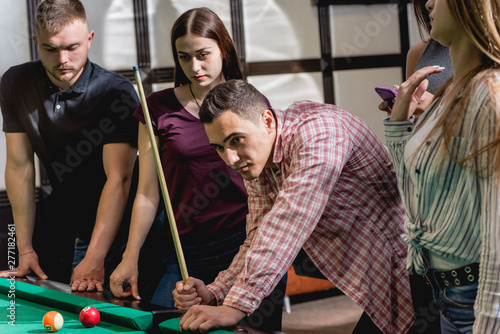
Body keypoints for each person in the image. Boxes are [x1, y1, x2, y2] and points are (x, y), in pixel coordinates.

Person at [173, 79, 414, 334]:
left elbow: (287, 224)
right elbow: (258, 237)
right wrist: (216, 292)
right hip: (383, 279)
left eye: (236, 140)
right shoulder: (259, 159)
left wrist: (234, 307)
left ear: (267, 121)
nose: (230, 159)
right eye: (219, 147)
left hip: (416, 270)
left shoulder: (320, 134)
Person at [109, 8, 285, 331]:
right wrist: (129, 256)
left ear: (223, 49)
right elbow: (148, 193)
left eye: (203, 54)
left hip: (246, 241)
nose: (194, 67)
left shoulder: (248, 102)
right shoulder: (157, 109)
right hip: (187, 250)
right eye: (184, 57)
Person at [0, 0, 139, 293]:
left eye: (72, 47)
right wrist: (24, 248)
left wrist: (95, 257)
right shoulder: (16, 83)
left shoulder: (116, 91)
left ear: (89, 39)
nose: (62, 58)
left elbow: (120, 179)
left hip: (139, 236)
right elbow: (19, 165)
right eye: (50, 49)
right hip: (84, 230)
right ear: (36, 42)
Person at [384, 0, 500, 332]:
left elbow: (497, 232)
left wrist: (489, 322)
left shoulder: (488, 93)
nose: (428, 2)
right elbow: (413, 191)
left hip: (475, 297)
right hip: (446, 294)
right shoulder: (452, 90)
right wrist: (398, 124)